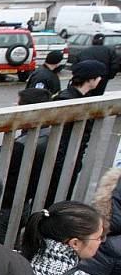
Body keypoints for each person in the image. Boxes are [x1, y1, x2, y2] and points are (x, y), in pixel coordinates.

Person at [0, 87, 53, 245]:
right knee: (12, 241)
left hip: (6, 206)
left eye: (18, 104)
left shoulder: (22, 145)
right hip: (24, 202)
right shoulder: (50, 135)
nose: (15, 107)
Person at [47, 60, 107, 205]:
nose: (100, 80)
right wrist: (61, 164)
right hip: (63, 161)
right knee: (54, 197)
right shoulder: (68, 101)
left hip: (70, 159)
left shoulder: (79, 99)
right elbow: (61, 137)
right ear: (90, 79)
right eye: (98, 77)